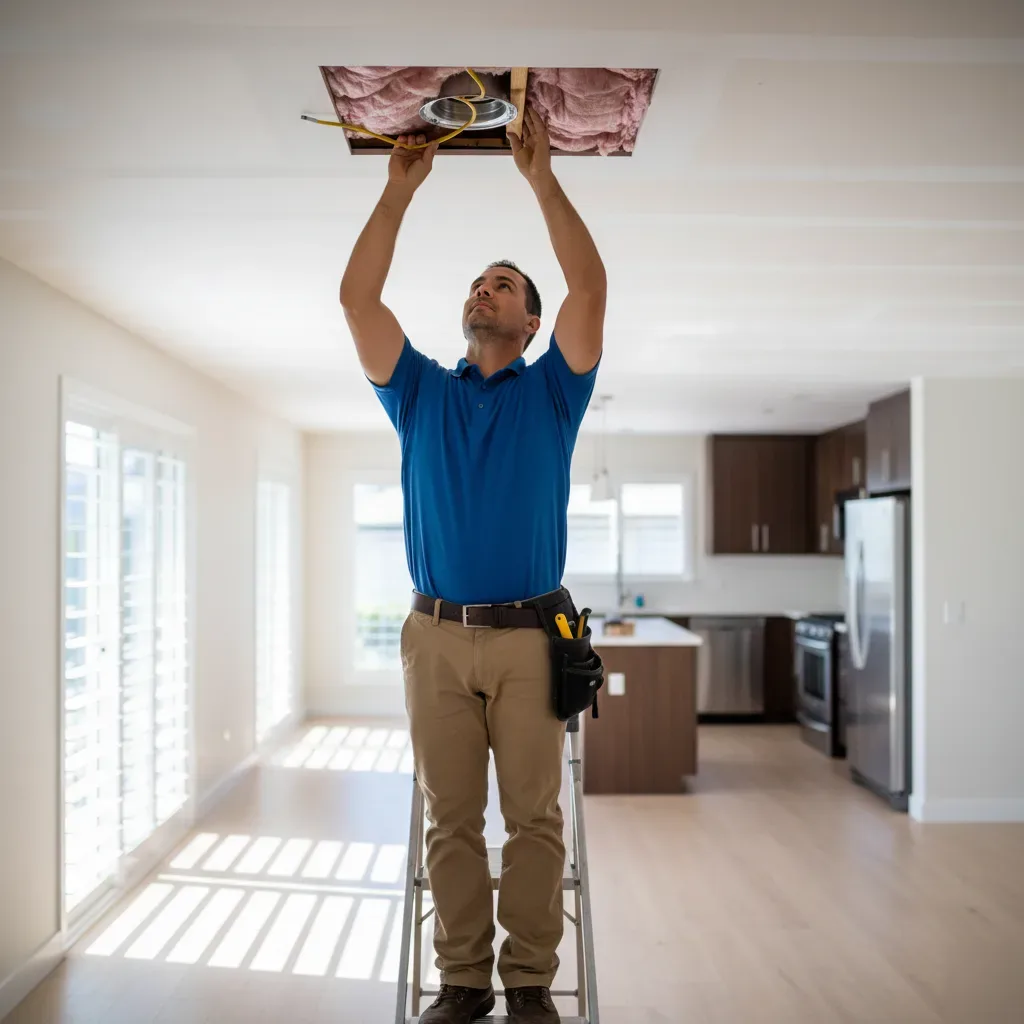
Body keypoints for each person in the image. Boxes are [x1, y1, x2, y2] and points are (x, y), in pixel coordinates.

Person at [340, 109, 606, 1024]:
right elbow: (358, 304)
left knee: (534, 823)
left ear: (531, 322)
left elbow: (592, 288)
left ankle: (529, 983)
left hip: (532, 638)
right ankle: (463, 983)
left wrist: (542, 178)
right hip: (435, 639)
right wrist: (396, 192)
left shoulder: (552, 395)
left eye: (503, 286)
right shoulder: (417, 390)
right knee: (451, 821)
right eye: (478, 284)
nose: (484, 292)